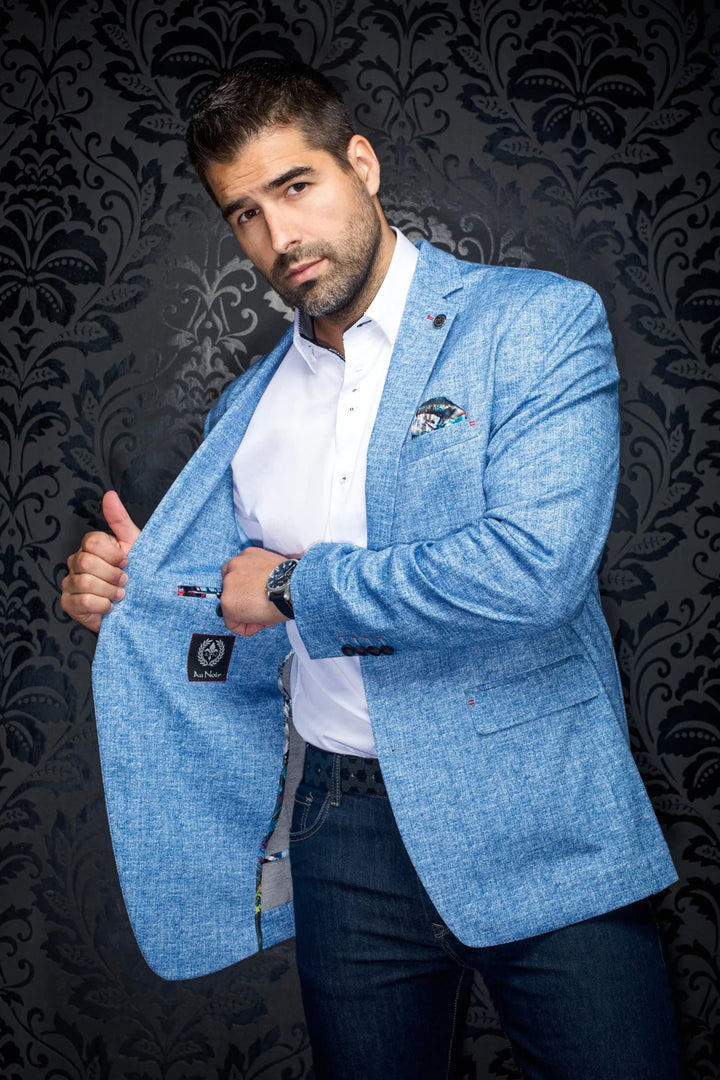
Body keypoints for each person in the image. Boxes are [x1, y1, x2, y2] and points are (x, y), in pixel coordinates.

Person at [61, 58, 682, 1080]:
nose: (280, 237)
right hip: (340, 827)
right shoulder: (245, 412)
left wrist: (295, 586)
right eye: (245, 214)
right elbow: (234, 615)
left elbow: (533, 570)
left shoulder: (532, 323)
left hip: (540, 809)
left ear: (361, 163)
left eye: (296, 186)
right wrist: (140, 596)